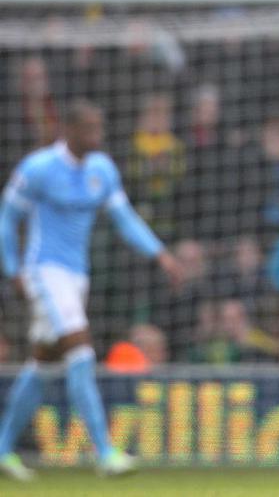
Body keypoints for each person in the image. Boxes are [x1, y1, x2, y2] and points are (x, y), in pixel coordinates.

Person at [0, 101, 181, 481]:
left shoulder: (102, 170)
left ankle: (2, 450)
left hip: (77, 277)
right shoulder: (39, 169)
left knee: (45, 364)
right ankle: (105, 452)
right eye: (89, 129)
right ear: (68, 130)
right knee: (81, 350)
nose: (97, 137)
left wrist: (159, 253)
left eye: (100, 128)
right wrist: (12, 268)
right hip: (43, 271)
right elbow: (7, 215)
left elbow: (125, 218)